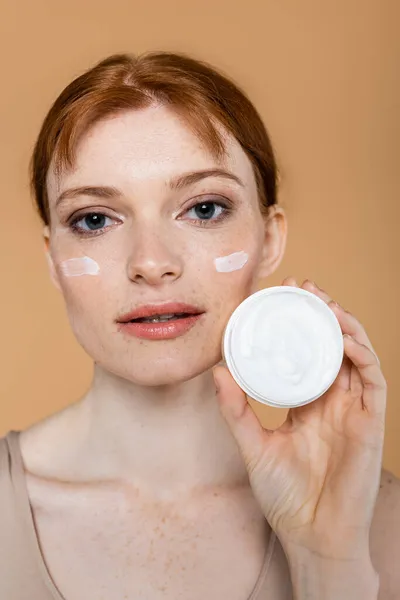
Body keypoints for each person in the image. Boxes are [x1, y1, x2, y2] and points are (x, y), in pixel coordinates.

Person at [0, 50, 399, 600]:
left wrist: (329, 561)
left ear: (270, 238)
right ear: (52, 258)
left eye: (204, 209)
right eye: (94, 219)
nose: (152, 262)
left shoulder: (382, 526)